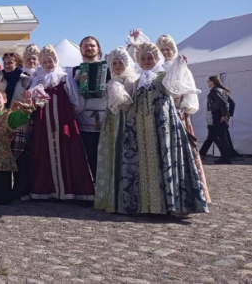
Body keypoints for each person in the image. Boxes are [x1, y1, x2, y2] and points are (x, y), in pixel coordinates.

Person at [119, 41, 208, 215]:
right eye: (143, 58)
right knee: (142, 163)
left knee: (164, 160)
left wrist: (178, 66)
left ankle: (168, 205)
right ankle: (145, 204)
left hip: (163, 126)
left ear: (156, 58)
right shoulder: (136, 80)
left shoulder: (164, 76)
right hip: (140, 127)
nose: (146, 61)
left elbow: (175, 89)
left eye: (150, 57)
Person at [28, 45, 95, 201]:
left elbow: (76, 101)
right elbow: (31, 101)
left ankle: (71, 190)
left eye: (50, 61)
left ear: (55, 61)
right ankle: (48, 190)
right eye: (44, 62)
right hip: (43, 123)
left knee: (69, 149)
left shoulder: (65, 78)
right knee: (44, 151)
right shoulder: (37, 80)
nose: (48, 64)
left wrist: (69, 114)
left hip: (63, 121)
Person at [0, 28, 32, 199]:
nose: (8, 65)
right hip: (1, 121)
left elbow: (31, 98)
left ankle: (20, 190)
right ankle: (4, 189)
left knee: (18, 157)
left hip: (19, 122)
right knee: (4, 154)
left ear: (17, 63)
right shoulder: (0, 76)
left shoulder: (26, 78)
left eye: (11, 62)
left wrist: (25, 106)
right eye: (5, 62)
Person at [93, 47, 138, 213]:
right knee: (110, 153)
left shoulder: (131, 80)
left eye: (121, 62)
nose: (118, 66)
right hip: (112, 122)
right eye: (114, 63)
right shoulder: (112, 81)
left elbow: (127, 103)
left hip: (126, 121)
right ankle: (110, 194)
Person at [0, 89, 35, 205]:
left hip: (2, 162)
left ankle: (20, 191)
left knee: (1, 200)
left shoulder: (9, 116)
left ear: (5, 100)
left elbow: (21, 117)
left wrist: (27, 107)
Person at [72, 36, 109, 182]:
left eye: (92, 46)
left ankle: (107, 192)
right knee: (89, 155)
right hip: (84, 118)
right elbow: (71, 94)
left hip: (105, 117)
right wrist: (75, 81)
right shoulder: (75, 70)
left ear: (98, 48)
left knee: (106, 156)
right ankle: (91, 191)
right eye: (85, 46)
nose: (89, 48)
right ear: (80, 49)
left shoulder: (108, 68)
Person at [201, 75, 235, 164]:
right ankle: (201, 154)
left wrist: (224, 115)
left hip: (216, 116)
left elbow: (222, 103)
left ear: (212, 81)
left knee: (222, 138)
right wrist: (229, 115)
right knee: (213, 136)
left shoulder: (214, 91)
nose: (207, 83)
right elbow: (232, 103)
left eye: (208, 81)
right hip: (219, 116)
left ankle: (226, 158)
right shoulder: (223, 91)